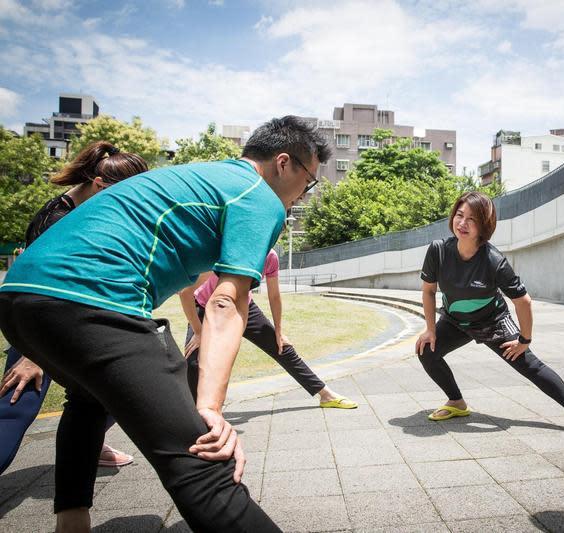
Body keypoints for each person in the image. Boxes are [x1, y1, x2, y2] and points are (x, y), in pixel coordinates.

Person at [0, 116, 330, 532]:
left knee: (87, 400)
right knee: (205, 459)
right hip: (94, 300)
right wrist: (208, 408)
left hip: (17, 299)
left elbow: (190, 286)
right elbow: (227, 302)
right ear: (284, 163)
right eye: (309, 181)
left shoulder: (201, 177)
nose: (303, 195)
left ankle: (72, 522)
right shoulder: (259, 197)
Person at [0, 141, 147, 474]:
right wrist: (31, 356)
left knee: (119, 392)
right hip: (41, 333)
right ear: (99, 185)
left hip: (66, 328)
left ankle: (88, 441)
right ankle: (87, 441)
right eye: (123, 198)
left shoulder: (77, 212)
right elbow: (34, 288)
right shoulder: (57, 219)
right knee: (15, 410)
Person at [415, 191, 564, 441]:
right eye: (459, 215)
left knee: (529, 365)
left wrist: (524, 340)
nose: (462, 223)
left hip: (492, 322)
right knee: (427, 350)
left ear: (484, 226)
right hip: (455, 319)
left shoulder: (493, 261)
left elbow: (523, 302)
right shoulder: (438, 250)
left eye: (471, 219)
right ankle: (457, 402)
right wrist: (431, 329)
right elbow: (428, 291)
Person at [181, 248, 357, 408]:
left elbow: (274, 296)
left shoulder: (270, 257)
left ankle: (325, 395)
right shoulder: (228, 252)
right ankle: (196, 416)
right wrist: (198, 331)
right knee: (194, 361)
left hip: (244, 307)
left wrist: (279, 331)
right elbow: (186, 292)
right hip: (206, 308)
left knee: (281, 347)